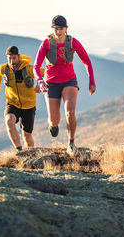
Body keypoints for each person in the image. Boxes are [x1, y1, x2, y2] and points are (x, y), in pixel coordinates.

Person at [34, 15, 96, 156]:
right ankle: (52, 125)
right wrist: (40, 80)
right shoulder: (46, 44)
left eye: (61, 28)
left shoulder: (73, 42)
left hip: (69, 81)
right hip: (51, 83)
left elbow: (86, 60)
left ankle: (71, 143)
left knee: (70, 112)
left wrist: (91, 81)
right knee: (55, 120)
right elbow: (36, 66)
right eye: (56, 29)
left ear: (66, 29)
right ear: (53, 29)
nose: (59, 32)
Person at [0, 46, 42, 152]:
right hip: (12, 102)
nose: (11, 61)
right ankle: (19, 150)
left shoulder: (28, 69)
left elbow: (43, 73)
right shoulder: (3, 69)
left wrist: (39, 84)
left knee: (27, 136)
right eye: (9, 58)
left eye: (14, 58)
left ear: (19, 57)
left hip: (29, 105)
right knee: (9, 121)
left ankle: (31, 154)